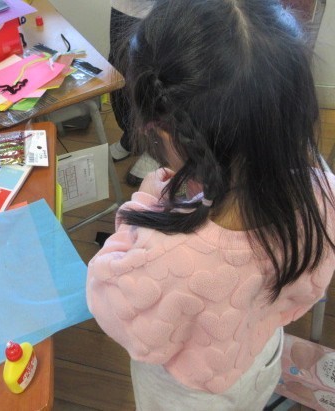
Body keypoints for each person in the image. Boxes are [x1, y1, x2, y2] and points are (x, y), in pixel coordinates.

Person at [86, 0, 335, 409]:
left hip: (190, 395)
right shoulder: (323, 193)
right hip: (259, 358)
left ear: (165, 131)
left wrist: (147, 203)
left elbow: (112, 307)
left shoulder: (163, 255)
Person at [109, 0, 159, 186]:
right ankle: (131, 136)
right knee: (119, 71)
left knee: (152, 78)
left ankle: (156, 148)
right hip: (123, 6)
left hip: (161, 10)